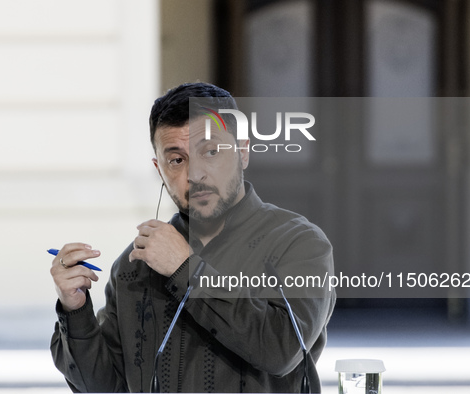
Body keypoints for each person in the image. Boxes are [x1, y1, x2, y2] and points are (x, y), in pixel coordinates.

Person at [50, 82, 336, 393]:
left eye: (211, 152)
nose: (195, 174)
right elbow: (106, 386)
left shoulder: (300, 243)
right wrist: (75, 309)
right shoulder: (134, 266)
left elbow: (282, 350)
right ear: (160, 170)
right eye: (177, 160)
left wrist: (184, 269)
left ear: (242, 151)